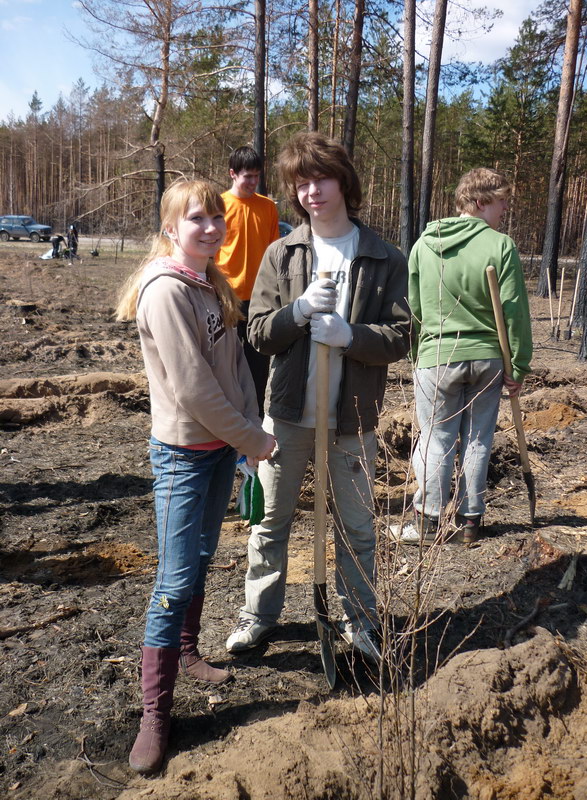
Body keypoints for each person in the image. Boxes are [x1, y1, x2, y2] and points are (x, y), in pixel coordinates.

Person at [225, 132, 411, 663]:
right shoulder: (282, 253)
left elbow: (402, 335)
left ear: (343, 182)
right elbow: (259, 333)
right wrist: (300, 311)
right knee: (270, 523)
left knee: (357, 527)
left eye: (320, 180)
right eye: (301, 184)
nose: (311, 192)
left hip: (352, 418)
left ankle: (359, 619)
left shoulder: (383, 257)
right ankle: (258, 616)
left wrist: (352, 336)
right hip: (287, 415)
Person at [115, 178, 276, 775]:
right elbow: (193, 388)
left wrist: (248, 431)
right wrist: (252, 439)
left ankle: (187, 652)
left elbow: (236, 370)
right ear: (170, 228)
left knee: (203, 556)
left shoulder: (213, 283)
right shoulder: (165, 291)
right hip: (183, 455)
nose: (209, 228)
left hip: (220, 451)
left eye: (215, 218)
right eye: (195, 219)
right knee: (174, 578)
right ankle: (155, 716)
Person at [394, 167, 532, 546]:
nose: (505, 208)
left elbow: (413, 308)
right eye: (501, 201)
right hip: (487, 358)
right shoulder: (500, 245)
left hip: (437, 356)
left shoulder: (425, 245)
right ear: (480, 201)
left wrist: (416, 354)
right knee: (477, 438)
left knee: (435, 438)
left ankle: (428, 522)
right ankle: (470, 520)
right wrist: (518, 364)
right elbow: (515, 311)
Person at [215, 146, 280, 416]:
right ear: (233, 174)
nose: (253, 182)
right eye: (247, 176)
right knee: (225, 362)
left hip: (259, 300)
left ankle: (255, 419)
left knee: (258, 365)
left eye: (257, 176)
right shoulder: (218, 206)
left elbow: (275, 252)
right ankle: (227, 418)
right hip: (225, 297)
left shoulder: (267, 207)